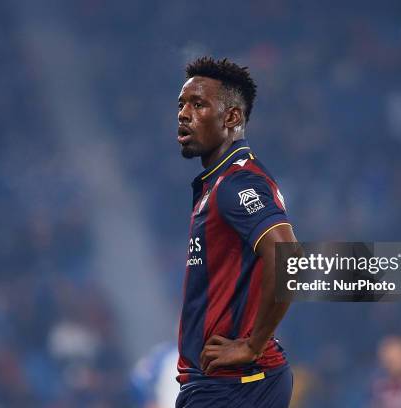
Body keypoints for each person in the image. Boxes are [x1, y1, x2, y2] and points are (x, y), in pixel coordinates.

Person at [175, 57, 298, 408]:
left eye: (198, 104)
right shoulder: (220, 181)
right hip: (224, 383)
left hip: (234, 385)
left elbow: (288, 257)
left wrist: (252, 345)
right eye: (182, 104)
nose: (184, 114)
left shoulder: (236, 182)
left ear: (231, 117)